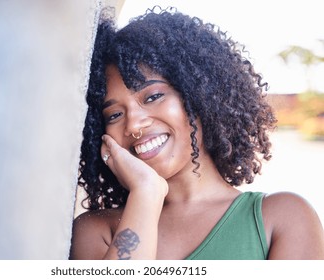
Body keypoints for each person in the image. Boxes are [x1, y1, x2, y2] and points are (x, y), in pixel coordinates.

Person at [70, 6, 324, 260]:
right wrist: (146, 194)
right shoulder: (96, 232)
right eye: (114, 115)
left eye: (154, 96)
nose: (134, 125)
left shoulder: (282, 219)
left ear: (200, 97)